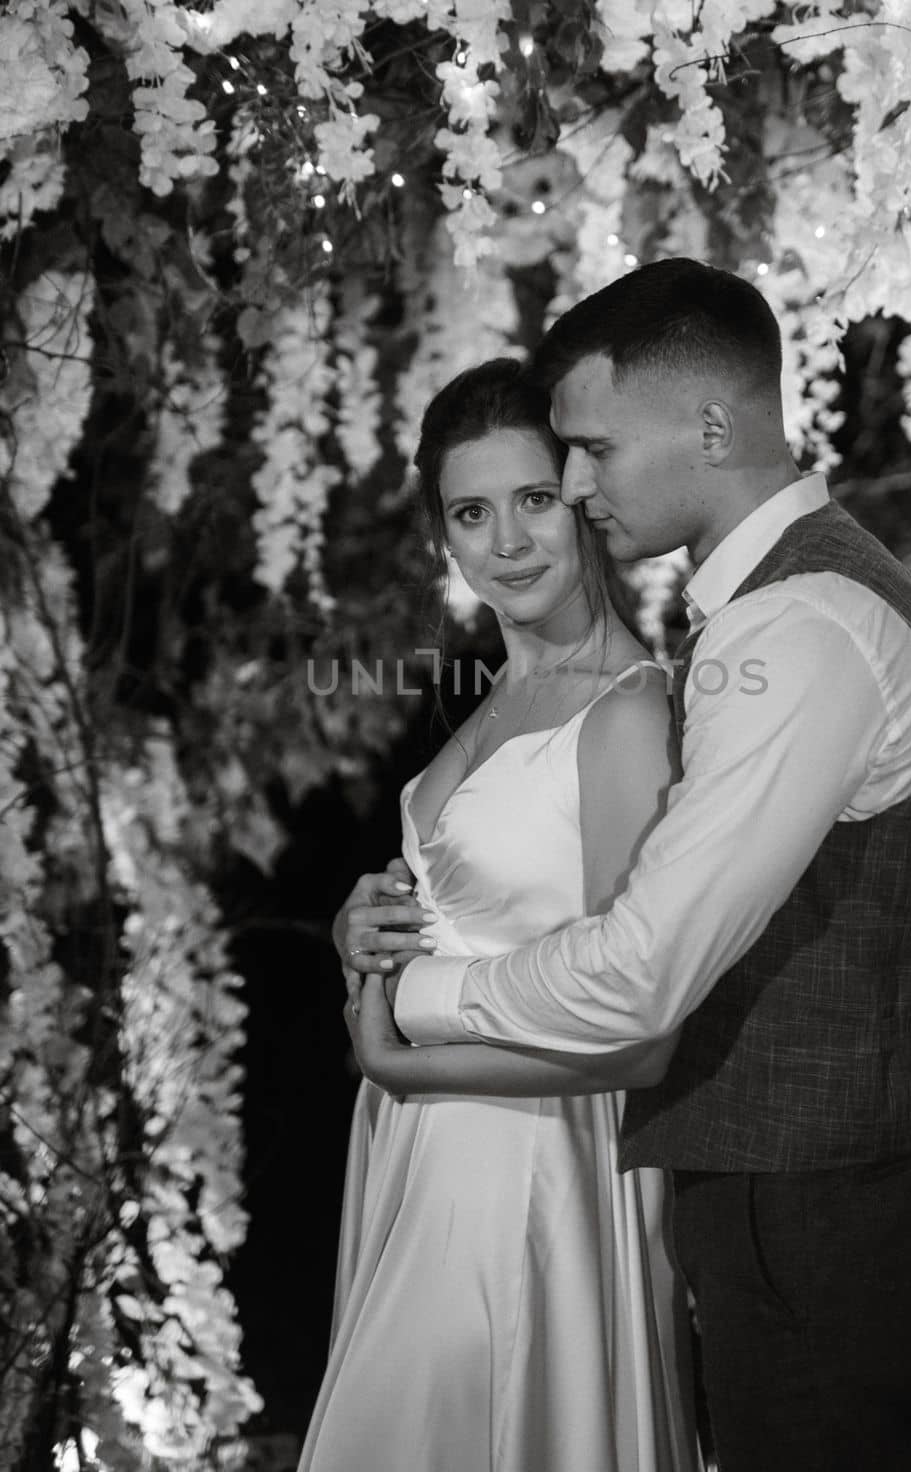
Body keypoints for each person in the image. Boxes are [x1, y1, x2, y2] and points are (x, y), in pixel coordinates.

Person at [342, 260, 911, 1472]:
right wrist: (374, 943)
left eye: (583, 458)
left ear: (711, 427)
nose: (570, 494)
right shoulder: (752, 622)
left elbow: (639, 978)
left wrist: (406, 1013)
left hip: (801, 1189)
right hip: (765, 1184)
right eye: (476, 510)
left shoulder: (797, 629)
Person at [299, 358, 699, 1472]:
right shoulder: (495, 695)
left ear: (581, 495)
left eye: (533, 499)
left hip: (533, 1164)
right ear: (444, 534)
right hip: (422, 1151)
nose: (508, 541)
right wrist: (364, 928)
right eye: (473, 512)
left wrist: (404, 1064)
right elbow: (474, 898)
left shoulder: (626, 713)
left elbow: (637, 1033)